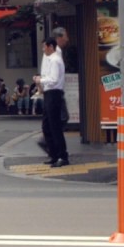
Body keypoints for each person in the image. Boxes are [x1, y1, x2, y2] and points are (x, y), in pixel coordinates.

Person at [36, 38, 69, 167]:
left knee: (55, 126)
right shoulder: (51, 59)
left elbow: (54, 79)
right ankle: (54, 154)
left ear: (50, 47)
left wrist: (40, 80)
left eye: (44, 47)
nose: (43, 49)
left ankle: (62, 156)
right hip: (49, 93)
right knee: (47, 126)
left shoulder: (55, 60)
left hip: (54, 93)